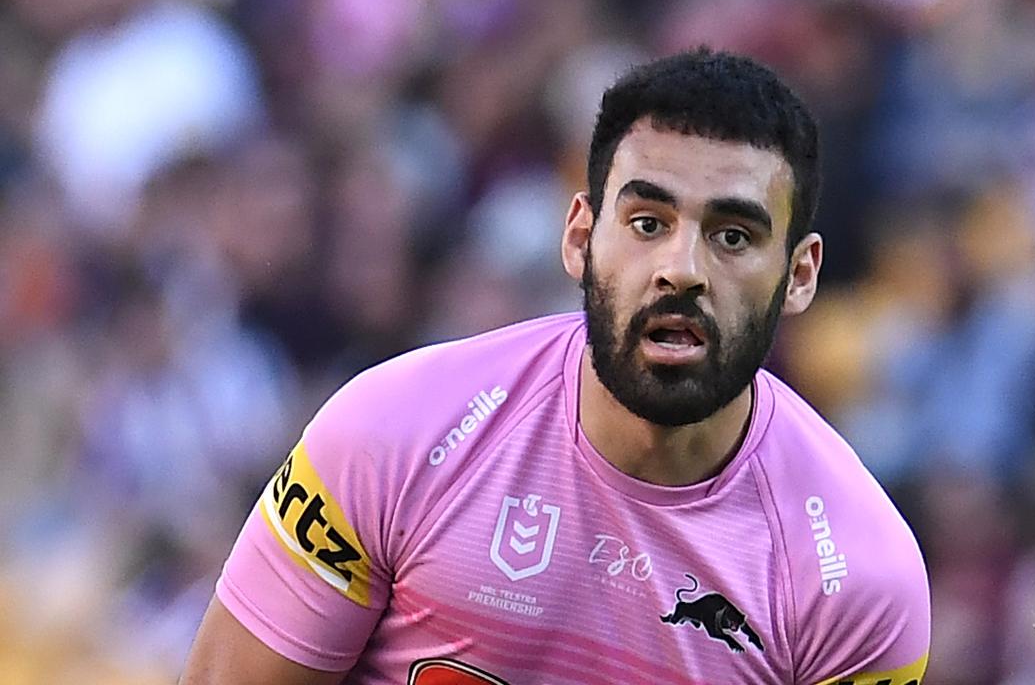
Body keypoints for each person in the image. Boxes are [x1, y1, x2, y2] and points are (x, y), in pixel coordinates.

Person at [181, 48, 930, 685]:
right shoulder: (390, 433)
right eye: (647, 223)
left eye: (733, 236)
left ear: (800, 276)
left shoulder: (858, 582)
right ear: (579, 236)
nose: (682, 269)